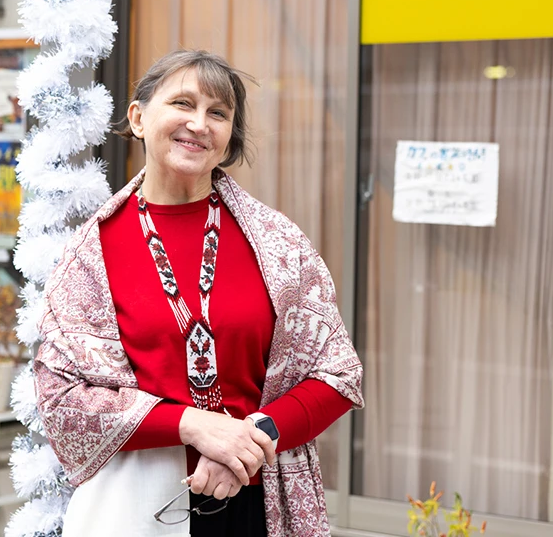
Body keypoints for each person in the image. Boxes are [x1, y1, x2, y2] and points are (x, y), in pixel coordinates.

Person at [33, 49, 364, 537]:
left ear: (230, 136)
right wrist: (190, 425)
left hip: (258, 501)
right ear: (139, 118)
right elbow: (61, 397)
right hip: (137, 505)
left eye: (218, 113)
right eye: (182, 103)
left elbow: (337, 373)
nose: (199, 123)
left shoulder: (277, 242)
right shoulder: (91, 253)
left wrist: (252, 440)